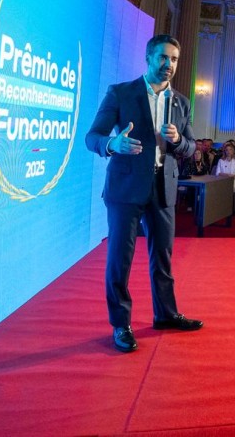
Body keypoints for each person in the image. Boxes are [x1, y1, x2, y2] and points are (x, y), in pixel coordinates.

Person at [85, 34, 202, 353]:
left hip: (163, 189)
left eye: (174, 60)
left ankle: (165, 315)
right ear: (149, 58)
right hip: (125, 189)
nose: (169, 65)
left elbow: (192, 147)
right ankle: (121, 324)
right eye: (163, 58)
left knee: (162, 257)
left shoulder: (181, 102)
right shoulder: (121, 93)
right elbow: (92, 136)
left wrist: (178, 140)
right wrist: (112, 144)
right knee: (120, 260)